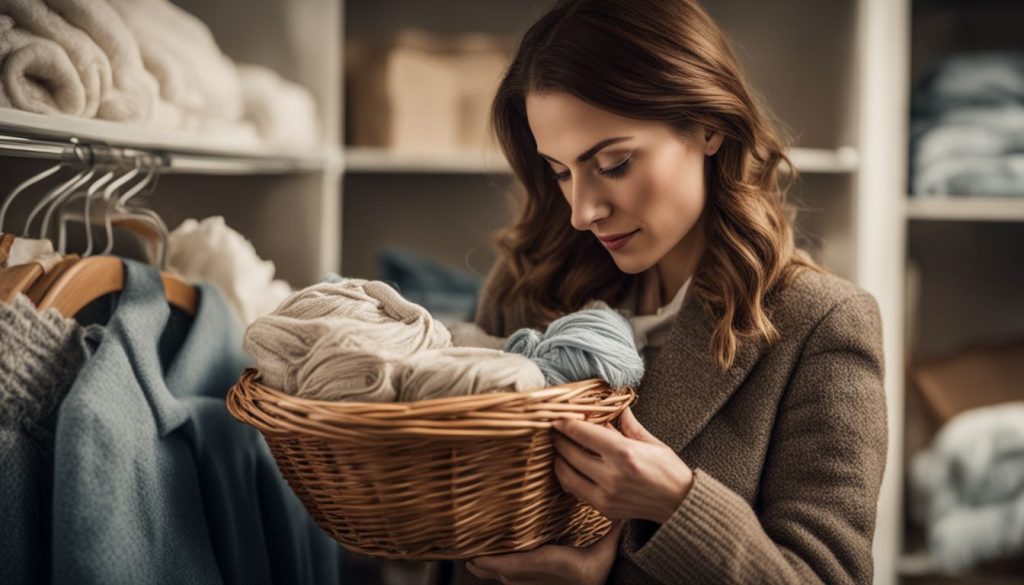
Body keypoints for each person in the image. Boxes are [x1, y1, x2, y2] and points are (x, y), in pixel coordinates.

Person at [448, 0, 888, 583]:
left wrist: (677, 503)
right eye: (560, 171)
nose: (582, 211)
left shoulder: (823, 326)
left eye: (614, 162)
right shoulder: (525, 288)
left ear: (708, 126)